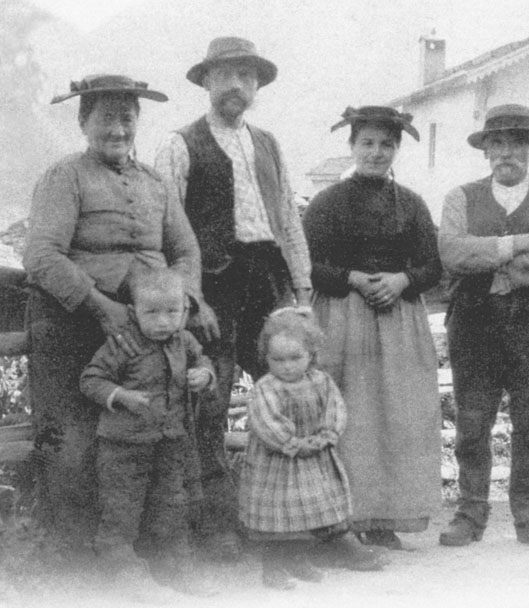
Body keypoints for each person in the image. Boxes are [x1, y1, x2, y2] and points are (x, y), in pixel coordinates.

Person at [23, 74, 205, 552]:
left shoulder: (156, 183)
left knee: (150, 441)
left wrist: (183, 300)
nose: (118, 129)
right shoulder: (66, 177)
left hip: (143, 333)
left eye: (127, 117)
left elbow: (185, 249)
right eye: (106, 117)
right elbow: (41, 256)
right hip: (73, 326)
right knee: (75, 448)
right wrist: (101, 307)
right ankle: (78, 568)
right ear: (84, 122)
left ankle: (142, 555)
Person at [155, 36, 312, 556]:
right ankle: (215, 524)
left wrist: (302, 288)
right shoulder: (180, 145)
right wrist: (185, 296)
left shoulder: (267, 143)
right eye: (224, 75)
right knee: (209, 405)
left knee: (287, 398)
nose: (236, 86)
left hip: (267, 283)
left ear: (257, 87)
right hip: (211, 289)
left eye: (246, 77)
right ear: (205, 82)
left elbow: (288, 218)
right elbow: (166, 232)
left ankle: (285, 520)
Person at [438, 104, 529, 551]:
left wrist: (494, 268)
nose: (507, 152)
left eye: (517, 142)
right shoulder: (460, 198)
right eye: (497, 143)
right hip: (474, 329)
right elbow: (454, 255)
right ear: (486, 151)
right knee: (472, 426)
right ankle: (470, 513)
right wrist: (522, 244)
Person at [303, 106, 442, 550]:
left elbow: (433, 265)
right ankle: (338, 519)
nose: (377, 153)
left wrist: (403, 280)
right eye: (367, 143)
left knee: (393, 418)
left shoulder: (413, 205)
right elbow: (307, 263)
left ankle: (381, 518)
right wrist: (352, 278)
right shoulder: (327, 203)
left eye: (386, 145)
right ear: (352, 146)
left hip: (398, 320)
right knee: (348, 417)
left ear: (396, 150)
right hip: (343, 316)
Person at [80, 268, 215, 600]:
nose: (163, 321)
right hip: (123, 446)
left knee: (172, 504)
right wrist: (120, 396)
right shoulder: (123, 343)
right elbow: (91, 379)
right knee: (122, 508)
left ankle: (176, 568)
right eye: (151, 312)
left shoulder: (185, 341)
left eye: (172, 311)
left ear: (184, 310)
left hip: (170, 441)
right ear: (133, 312)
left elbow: (204, 362)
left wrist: (205, 376)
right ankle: (123, 571)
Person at [238, 308, 382, 590]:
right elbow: (266, 421)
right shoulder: (265, 387)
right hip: (277, 464)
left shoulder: (320, 381)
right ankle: (273, 568)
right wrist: (291, 443)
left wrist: (326, 435)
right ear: (265, 358)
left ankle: (299, 559)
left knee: (309, 513)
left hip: (314, 457)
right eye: (277, 359)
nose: (287, 366)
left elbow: (335, 409)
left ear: (311, 354)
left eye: (295, 358)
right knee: (280, 517)